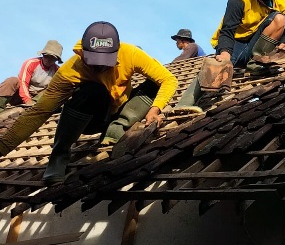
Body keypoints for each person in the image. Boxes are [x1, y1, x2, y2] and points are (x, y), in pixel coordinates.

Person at [0, 21, 178, 184]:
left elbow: (169, 80)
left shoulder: (131, 54)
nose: (100, 68)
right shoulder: (70, 70)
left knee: (153, 86)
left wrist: (155, 109)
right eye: (95, 63)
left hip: (118, 111)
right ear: (83, 52)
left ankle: (116, 128)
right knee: (93, 90)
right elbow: (37, 113)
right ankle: (59, 156)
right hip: (90, 118)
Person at [173, 0, 285, 112]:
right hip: (234, 43)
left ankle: (256, 62)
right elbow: (227, 31)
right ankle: (185, 102)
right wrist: (225, 53)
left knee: (279, 19)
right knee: (219, 63)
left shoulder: (282, 3)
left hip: (255, 45)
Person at [0, 40, 63, 111]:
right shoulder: (31, 63)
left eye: (52, 58)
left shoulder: (58, 71)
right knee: (12, 81)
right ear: (43, 55)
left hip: (38, 99)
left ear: (56, 59)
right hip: (20, 95)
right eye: (46, 56)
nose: (48, 59)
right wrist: (27, 101)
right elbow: (23, 82)